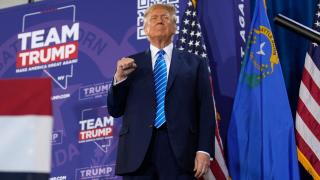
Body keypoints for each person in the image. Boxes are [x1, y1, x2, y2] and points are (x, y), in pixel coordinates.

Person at [107, 3, 215, 180]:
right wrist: (119, 79)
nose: (159, 20)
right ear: (146, 29)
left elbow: (205, 110)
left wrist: (204, 150)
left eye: (165, 17)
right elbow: (115, 109)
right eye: (154, 18)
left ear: (174, 28)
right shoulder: (128, 64)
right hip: (137, 153)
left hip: (180, 151)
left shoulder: (195, 63)